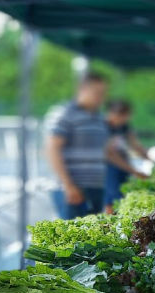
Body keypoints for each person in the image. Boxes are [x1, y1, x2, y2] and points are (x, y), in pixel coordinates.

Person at [46, 72, 109, 219]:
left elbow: (106, 151)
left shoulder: (99, 116)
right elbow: (52, 149)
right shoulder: (64, 113)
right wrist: (68, 185)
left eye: (104, 93)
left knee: (93, 238)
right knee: (72, 238)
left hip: (96, 187)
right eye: (97, 92)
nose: (102, 97)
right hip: (73, 189)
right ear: (82, 89)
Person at [103, 99, 148, 213]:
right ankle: (110, 222)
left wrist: (147, 156)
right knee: (112, 197)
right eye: (125, 116)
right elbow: (110, 155)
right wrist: (133, 170)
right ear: (114, 114)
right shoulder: (103, 127)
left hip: (124, 164)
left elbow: (134, 144)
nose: (127, 119)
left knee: (124, 194)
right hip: (108, 166)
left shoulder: (124, 126)